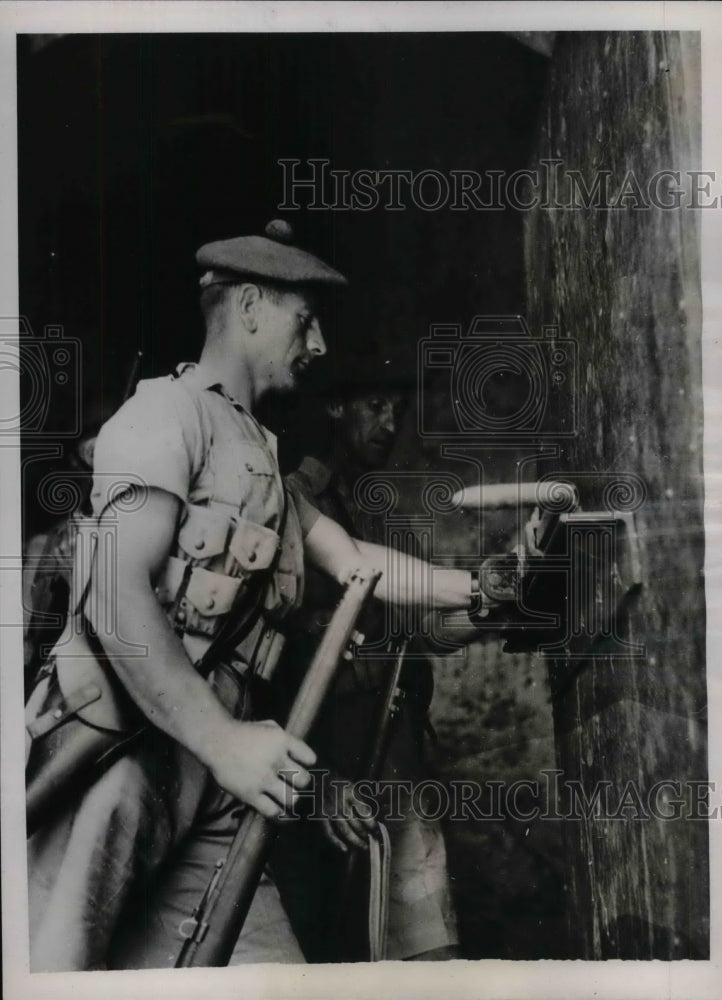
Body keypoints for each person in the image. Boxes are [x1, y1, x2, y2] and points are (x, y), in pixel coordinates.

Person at [25, 220, 478, 972]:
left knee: (275, 979)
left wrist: (483, 588)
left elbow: (354, 559)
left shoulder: (258, 454)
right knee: (55, 966)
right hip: (119, 755)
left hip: (214, 784)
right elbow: (113, 595)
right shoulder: (161, 416)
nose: (320, 345)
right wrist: (224, 740)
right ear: (251, 308)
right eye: (307, 321)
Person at [271, 353, 461, 962]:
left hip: (388, 744)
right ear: (334, 406)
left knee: (415, 934)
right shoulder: (295, 499)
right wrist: (318, 778)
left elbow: (401, 628)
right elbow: (276, 662)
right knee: (330, 935)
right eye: (375, 406)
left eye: (398, 411)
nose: (390, 423)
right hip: (322, 753)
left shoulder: (368, 502)